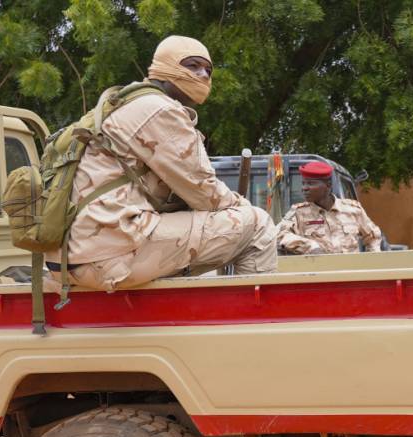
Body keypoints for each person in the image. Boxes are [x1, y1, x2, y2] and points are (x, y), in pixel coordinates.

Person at [51, 36, 277, 291]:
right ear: (165, 66)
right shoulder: (159, 109)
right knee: (257, 224)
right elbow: (207, 194)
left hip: (73, 257)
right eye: (192, 65)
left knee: (191, 221)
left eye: (208, 70)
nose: (203, 75)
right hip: (109, 253)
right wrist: (241, 208)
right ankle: (250, 321)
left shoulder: (126, 103)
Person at [277, 161, 382, 254]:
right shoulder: (298, 212)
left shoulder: (353, 209)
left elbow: (373, 237)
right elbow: (279, 235)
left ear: (328, 185)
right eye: (303, 183)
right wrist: (310, 246)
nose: (304, 188)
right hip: (317, 272)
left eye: (310, 183)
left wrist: (372, 260)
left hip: (349, 272)